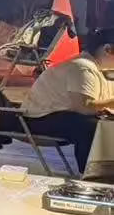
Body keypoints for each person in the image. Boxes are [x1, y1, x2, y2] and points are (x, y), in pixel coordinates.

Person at [21, 27, 114, 172]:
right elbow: (84, 107)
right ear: (107, 49)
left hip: (63, 114)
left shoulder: (100, 68)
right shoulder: (82, 67)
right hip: (39, 118)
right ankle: (93, 174)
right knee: (91, 127)